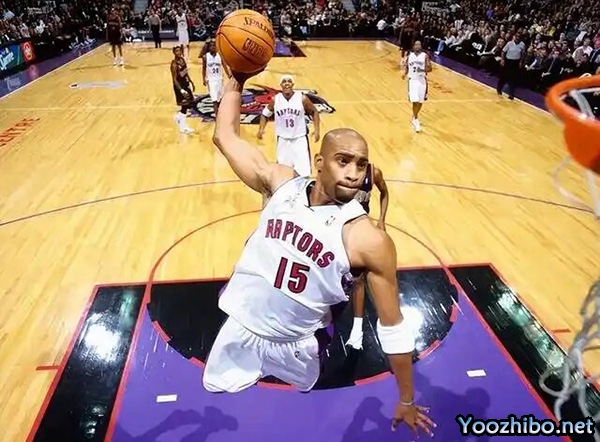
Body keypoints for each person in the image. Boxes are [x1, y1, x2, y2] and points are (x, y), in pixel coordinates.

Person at [203, 70, 436, 437]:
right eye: (344, 160)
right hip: (240, 324)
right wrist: (237, 79)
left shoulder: (368, 239)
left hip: (298, 344)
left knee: (294, 413)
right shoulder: (281, 183)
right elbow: (224, 135)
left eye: (361, 164)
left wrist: (407, 398)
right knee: (220, 397)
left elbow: (393, 328)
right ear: (319, 162)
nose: (354, 173)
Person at [345, 164, 390, 350]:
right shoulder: (340, 172)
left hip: (360, 230)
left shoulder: (374, 172)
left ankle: (357, 331)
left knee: (358, 280)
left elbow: (384, 192)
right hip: (340, 227)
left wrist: (381, 220)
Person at [257, 75, 321, 177]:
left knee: (304, 172)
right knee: (283, 173)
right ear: (281, 85)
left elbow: (314, 112)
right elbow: (265, 114)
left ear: (293, 84)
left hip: (299, 139)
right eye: (284, 82)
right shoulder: (275, 100)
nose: (287, 84)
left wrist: (317, 130)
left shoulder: (302, 98)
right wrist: (261, 129)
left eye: (289, 81)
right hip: (283, 139)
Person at [402, 40, 431, 132]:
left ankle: (414, 116)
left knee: (420, 101)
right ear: (413, 46)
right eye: (416, 44)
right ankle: (416, 119)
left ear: (421, 46)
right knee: (415, 100)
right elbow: (407, 66)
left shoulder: (425, 56)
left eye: (419, 44)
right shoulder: (409, 56)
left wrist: (421, 70)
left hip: (422, 80)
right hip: (413, 80)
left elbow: (430, 68)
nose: (417, 46)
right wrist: (404, 73)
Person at [171, 45, 196, 134]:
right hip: (179, 86)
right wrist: (181, 90)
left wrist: (191, 81)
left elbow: (185, 72)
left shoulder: (182, 60)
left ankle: (179, 117)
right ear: (174, 52)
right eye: (176, 51)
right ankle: (182, 127)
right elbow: (174, 79)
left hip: (185, 84)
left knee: (190, 103)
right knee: (184, 106)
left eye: (179, 50)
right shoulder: (174, 64)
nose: (178, 52)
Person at [202, 41, 230, 116]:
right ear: (209, 47)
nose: (213, 47)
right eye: (211, 46)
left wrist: (229, 75)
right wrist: (203, 79)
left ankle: (221, 113)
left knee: (220, 99)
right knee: (214, 99)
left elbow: (224, 66)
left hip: (219, 79)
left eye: (214, 46)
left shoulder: (220, 55)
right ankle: (217, 116)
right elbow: (204, 68)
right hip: (211, 80)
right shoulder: (205, 57)